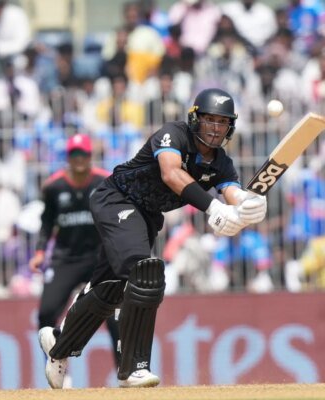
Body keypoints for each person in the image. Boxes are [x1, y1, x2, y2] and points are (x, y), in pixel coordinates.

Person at [38, 88, 268, 389]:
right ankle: (133, 367)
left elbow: (231, 191)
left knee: (110, 287)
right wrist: (214, 209)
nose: (215, 127)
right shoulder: (174, 134)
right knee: (143, 272)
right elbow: (171, 173)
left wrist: (248, 205)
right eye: (209, 119)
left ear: (230, 126)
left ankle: (58, 344)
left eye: (222, 122)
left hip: (146, 217)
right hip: (117, 200)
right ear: (195, 119)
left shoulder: (221, 162)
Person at [29, 133, 120, 369]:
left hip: (100, 259)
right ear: (68, 157)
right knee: (46, 312)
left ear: (90, 156)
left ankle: (125, 371)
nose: (79, 159)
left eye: (83, 154)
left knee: (116, 314)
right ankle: (55, 366)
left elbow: (116, 219)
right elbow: (47, 223)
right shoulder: (54, 187)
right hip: (66, 258)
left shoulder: (105, 182)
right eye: (74, 154)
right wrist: (40, 252)